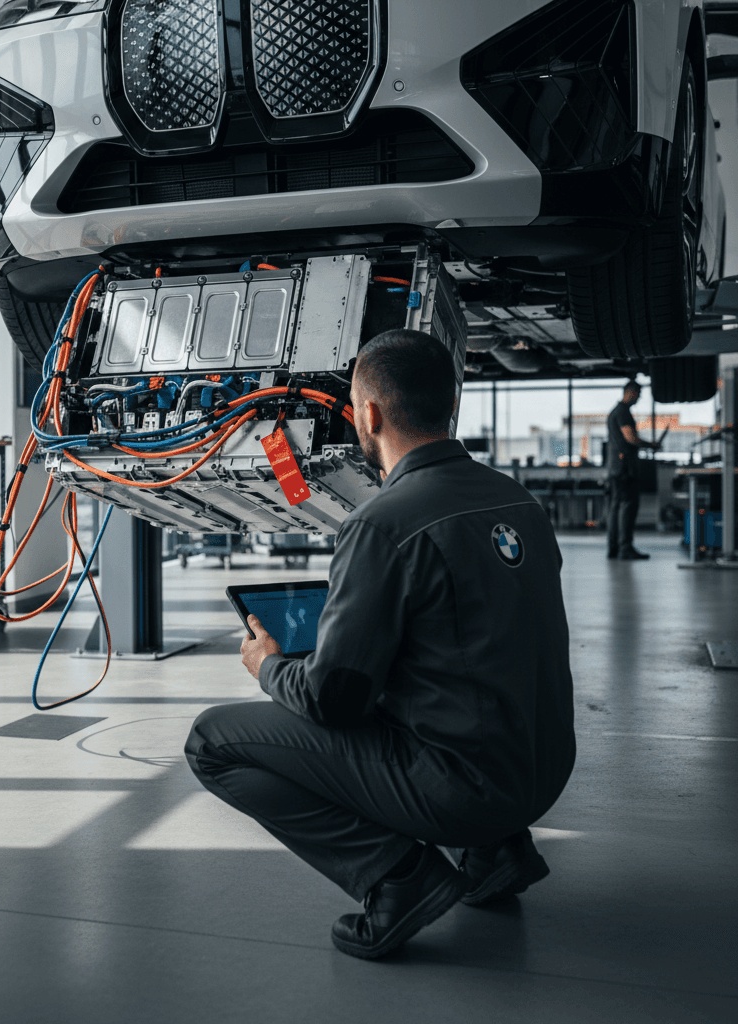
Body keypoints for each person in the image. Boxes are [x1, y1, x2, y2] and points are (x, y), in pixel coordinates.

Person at [185, 329, 576, 961]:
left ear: (367, 413)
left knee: (213, 743)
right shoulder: (519, 500)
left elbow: (334, 702)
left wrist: (269, 666)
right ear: (449, 405)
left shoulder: (381, 524)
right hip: (542, 773)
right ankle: (498, 853)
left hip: (467, 789)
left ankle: (399, 878)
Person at [606, 380, 660, 560]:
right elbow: (630, 438)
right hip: (625, 469)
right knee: (627, 506)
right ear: (630, 392)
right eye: (637, 394)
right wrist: (650, 445)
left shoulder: (614, 412)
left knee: (616, 507)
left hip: (615, 468)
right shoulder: (623, 413)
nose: (638, 399)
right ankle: (625, 548)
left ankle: (614, 547)